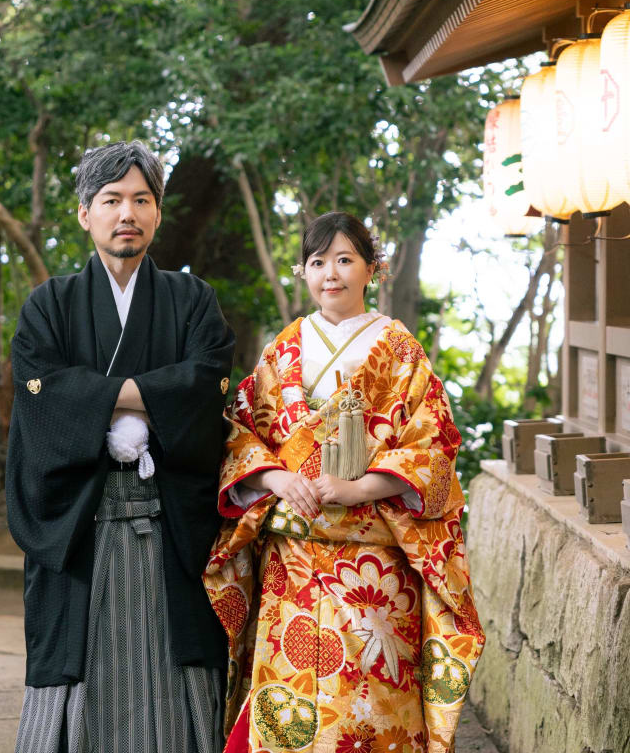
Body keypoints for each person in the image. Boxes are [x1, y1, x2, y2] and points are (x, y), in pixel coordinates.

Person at [203, 211, 483, 753]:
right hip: (294, 565)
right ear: (302, 272)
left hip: (375, 568)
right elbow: (240, 432)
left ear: (372, 269)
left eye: (345, 259)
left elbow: (435, 443)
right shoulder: (281, 351)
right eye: (317, 261)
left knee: (370, 712)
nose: (330, 272)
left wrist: (361, 489)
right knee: (290, 711)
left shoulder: (400, 350)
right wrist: (280, 478)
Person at [7, 141, 235, 753]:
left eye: (141, 199)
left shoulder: (193, 302)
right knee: (77, 672)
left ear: (159, 212)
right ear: (85, 213)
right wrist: (150, 393)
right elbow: (41, 394)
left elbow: (206, 379)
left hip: (169, 524)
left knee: (176, 672)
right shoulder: (47, 306)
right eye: (110, 199)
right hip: (83, 525)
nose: (125, 212)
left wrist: (100, 395)